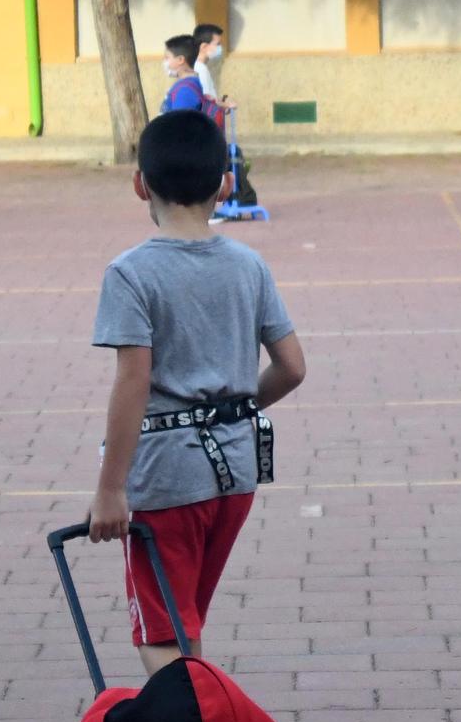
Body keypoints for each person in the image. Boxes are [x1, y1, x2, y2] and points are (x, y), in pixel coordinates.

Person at [85, 109, 305, 676]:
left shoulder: (131, 273)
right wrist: (235, 408)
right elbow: (292, 367)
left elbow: (133, 381)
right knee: (185, 623)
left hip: (167, 476)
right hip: (235, 471)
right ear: (224, 184)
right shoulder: (247, 264)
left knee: (161, 633)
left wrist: (111, 488)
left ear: (140, 184)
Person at [192, 23, 226, 99]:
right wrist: (225, 105)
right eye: (218, 44)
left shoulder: (198, 67)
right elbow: (207, 101)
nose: (220, 48)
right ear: (204, 46)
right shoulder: (200, 70)